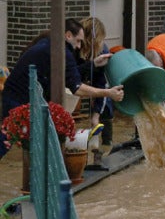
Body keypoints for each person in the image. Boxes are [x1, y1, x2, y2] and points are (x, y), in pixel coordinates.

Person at [0, 18, 124, 159]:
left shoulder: (50, 41)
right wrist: (109, 93)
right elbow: (77, 88)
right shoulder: (63, 52)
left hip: (22, 94)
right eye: (78, 41)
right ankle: (43, 175)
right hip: (20, 97)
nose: (78, 46)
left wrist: (93, 64)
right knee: (8, 137)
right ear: (68, 35)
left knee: (26, 138)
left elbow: (68, 73)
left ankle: (40, 175)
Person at [76, 17, 114, 146]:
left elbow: (102, 84)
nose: (101, 43)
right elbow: (70, 75)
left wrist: (96, 115)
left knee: (106, 107)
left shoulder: (103, 51)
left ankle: (106, 143)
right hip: (76, 80)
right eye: (99, 40)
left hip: (97, 81)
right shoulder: (73, 48)